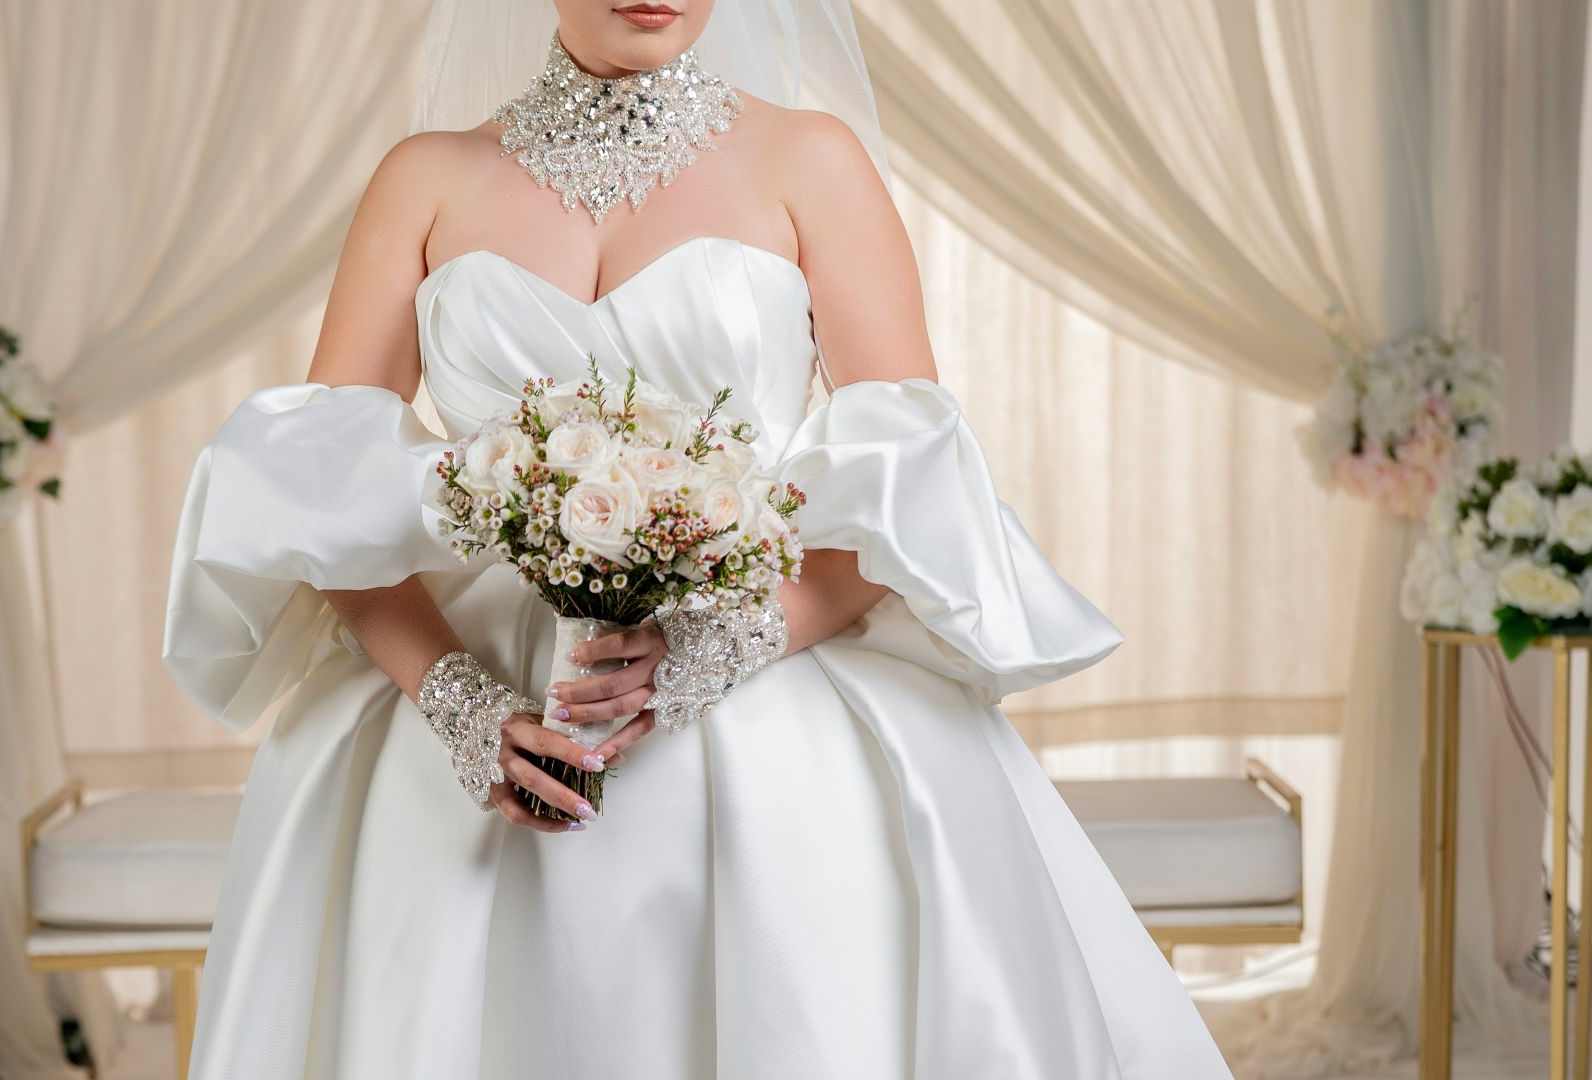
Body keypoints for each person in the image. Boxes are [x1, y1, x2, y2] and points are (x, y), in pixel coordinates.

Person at [163, 1, 1234, 1076]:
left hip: (767, 686)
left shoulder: (809, 161)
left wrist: (714, 654)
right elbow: (319, 496)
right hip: (471, 709)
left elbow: (912, 489)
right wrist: (458, 703)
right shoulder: (424, 177)